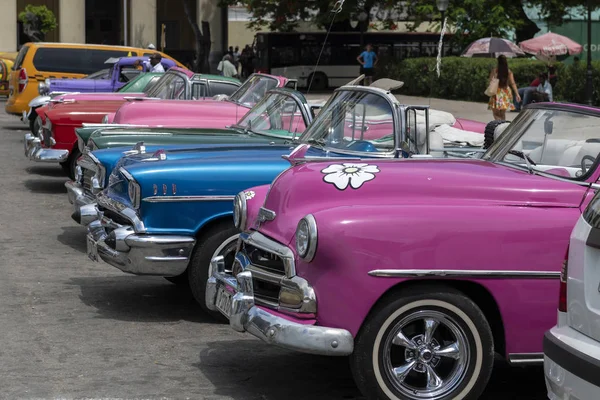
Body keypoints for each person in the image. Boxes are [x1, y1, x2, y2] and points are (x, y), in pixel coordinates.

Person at [488, 55, 520, 120]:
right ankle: (503, 125)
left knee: (495, 113)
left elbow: (490, 81)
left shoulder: (495, 71)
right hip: (506, 92)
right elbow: (513, 83)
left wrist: (494, 75)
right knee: (502, 113)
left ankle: (499, 124)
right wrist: (517, 94)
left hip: (497, 92)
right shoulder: (508, 71)